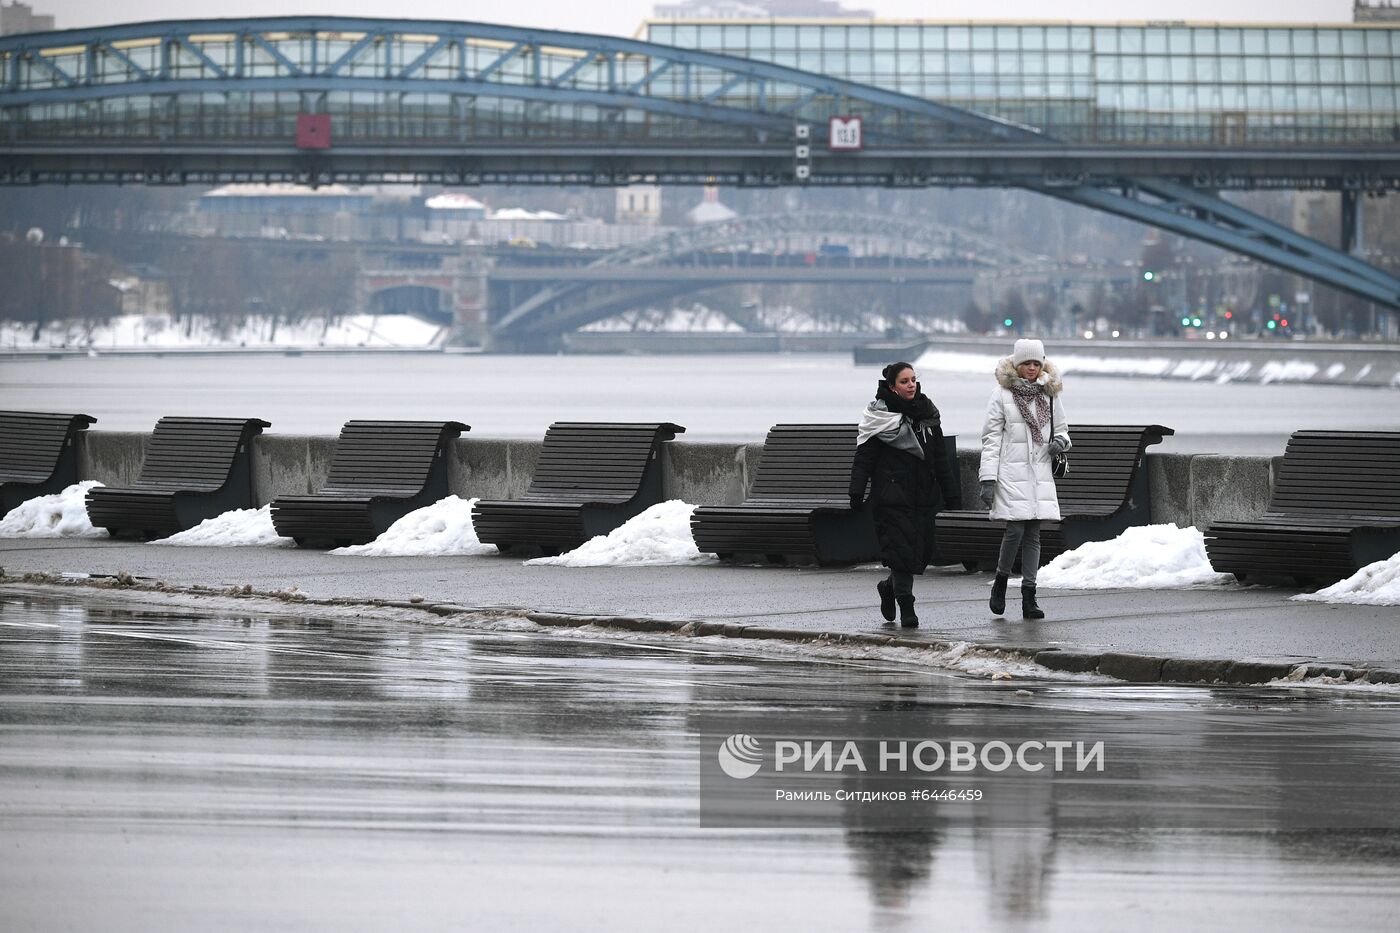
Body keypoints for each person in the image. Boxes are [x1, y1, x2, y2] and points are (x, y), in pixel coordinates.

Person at [849, 361, 958, 628]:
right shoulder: (880, 418)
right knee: (901, 552)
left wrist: (952, 494)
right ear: (892, 387)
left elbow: (940, 459)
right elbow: (864, 458)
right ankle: (906, 606)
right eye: (904, 381)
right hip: (891, 497)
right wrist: (856, 492)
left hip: (924, 496)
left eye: (913, 380)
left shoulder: (927, 414)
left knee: (918, 554)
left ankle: (888, 587)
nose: (911, 385)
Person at [978, 338, 1070, 620]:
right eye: (1026, 363)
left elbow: (1063, 431)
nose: (1032, 368)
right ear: (1017, 365)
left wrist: (1059, 443)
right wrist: (988, 478)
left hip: (1039, 471)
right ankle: (1001, 581)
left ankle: (1030, 596)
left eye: (1036, 363)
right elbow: (991, 438)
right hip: (1010, 471)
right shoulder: (1001, 395)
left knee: (1033, 533)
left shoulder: (1050, 394)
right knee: (1015, 530)